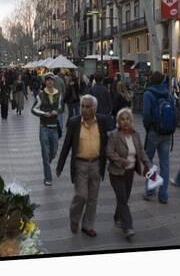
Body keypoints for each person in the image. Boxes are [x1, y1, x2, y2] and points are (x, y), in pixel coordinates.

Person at [55, 95, 111, 236]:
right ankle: (74, 218)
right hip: (80, 164)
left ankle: (87, 225)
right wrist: (60, 166)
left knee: (93, 198)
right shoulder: (74, 122)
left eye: (87, 107)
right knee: (81, 195)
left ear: (94, 108)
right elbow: (67, 145)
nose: (84, 109)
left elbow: (108, 140)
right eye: (82, 106)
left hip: (96, 164)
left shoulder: (102, 121)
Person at [106, 108, 152, 238]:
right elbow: (109, 152)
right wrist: (121, 161)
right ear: (118, 122)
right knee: (122, 198)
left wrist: (148, 165)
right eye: (122, 119)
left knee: (123, 198)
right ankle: (128, 227)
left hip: (130, 172)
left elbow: (141, 152)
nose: (125, 121)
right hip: (116, 172)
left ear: (131, 120)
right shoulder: (114, 135)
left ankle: (117, 216)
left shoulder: (135, 135)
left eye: (128, 119)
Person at [142, 71, 175, 204]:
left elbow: (146, 115)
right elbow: (174, 111)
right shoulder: (168, 93)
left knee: (149, 162)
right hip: (166, 133)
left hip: (153, 132)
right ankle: (164, 195)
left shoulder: (148, 94)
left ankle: (151, 190)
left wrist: (148, 128)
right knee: (165, 164)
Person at [31, 73, 63, 186]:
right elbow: (33, 109)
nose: (50, 82)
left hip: (54, 127)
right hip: (43, 127)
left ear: (53, 82)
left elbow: (61, 107)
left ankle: (47, 163)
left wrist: (56, 112)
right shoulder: (40, 95)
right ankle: (48, 177)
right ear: (45, 82)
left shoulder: (58, 94)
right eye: (48, 80)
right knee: (45, 152)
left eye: (52, 80)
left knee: (54, 151)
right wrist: (44, 114)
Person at [52, 68, 67, 134]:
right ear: (58, 72)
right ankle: (60, 127)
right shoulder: (61, 80)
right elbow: (64, 90)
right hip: (60, 99)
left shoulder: (51, 80)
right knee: (60, 114)